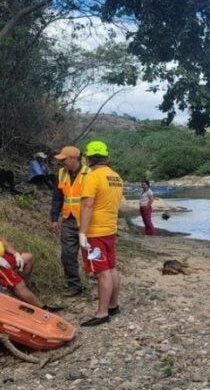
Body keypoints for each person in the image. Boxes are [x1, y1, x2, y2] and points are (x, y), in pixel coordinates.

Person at [78, 140, 123, 327]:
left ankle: (102, 313)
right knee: (111, 269)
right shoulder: (116, 177)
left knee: (102, 272)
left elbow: (88, 204)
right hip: (110, 230)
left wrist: (82, 232)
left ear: (88, 158)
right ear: (105, 157)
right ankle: (113, 305)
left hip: (95, 232)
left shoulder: (92, 177)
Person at [51, 146, 90, 297]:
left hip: (87, 221)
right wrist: (54, 219)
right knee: (67, 255)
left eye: (64, 159)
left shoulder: (89, 174)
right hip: (68, 220)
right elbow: (57, 198)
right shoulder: (61, 174)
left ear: (73, 159)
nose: (62, 163)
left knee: (92, 254)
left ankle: (100, 281)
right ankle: (74, 286)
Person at [0, 237, 62, 312]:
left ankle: (23, 291)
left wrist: (16, 254)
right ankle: (43, 308)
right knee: (18, 285)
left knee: (28, 257)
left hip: (4, 257)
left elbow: (4, 243)